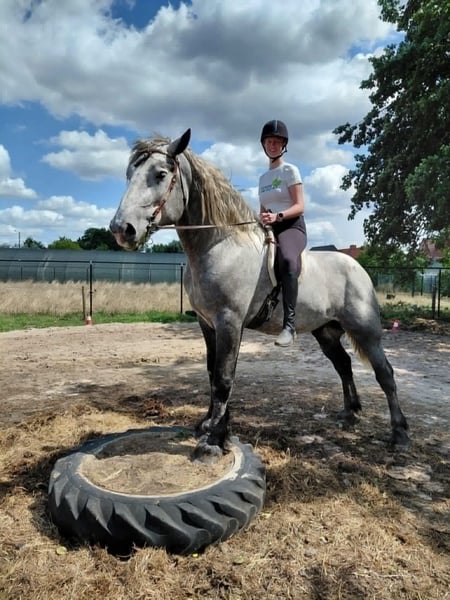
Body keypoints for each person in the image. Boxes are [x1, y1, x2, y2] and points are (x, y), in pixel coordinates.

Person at [258, 119, 307, 347]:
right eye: (269, 141)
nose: (272, 145)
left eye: (277, 142)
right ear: (264, 144)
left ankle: (289, 325)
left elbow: (300, 206)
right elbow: (263, 209)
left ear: (283, 145)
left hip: (291, 226)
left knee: (287, 260)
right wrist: (262, 219)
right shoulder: (263, 178)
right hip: (270, 227)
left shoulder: (290, 171)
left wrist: (278, 216)